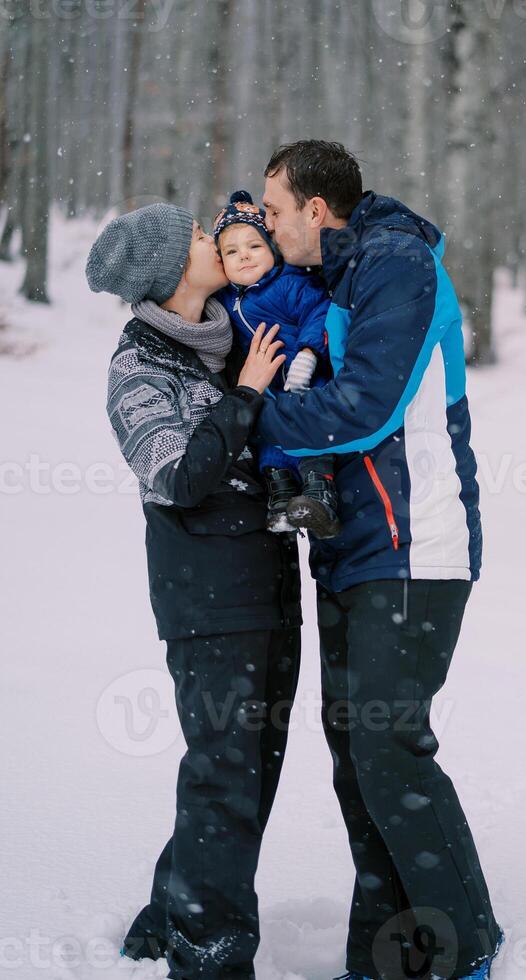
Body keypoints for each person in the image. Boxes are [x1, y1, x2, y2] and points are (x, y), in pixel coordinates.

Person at [255, 141, 505, 980]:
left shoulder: (395, 263)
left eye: (276, 209)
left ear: (316, 211)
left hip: (416, 546)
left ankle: (463, 941)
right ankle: (387, 947)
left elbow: (365, 408)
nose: (268, 222)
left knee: (390, 747)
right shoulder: (337, 276)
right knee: (357, 755)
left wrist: (248, 419)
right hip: (355, 552)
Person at [85, 203, 302, 980]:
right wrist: (244, 397)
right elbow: (176, 475)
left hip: (268, 588)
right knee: (225, 777)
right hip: (209, 605)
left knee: (247, 776)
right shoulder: (139, 364)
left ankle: (165, 921)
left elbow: (261, 253)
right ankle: (209, 961)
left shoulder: (219, 339)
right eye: (201, 238)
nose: (216, 242)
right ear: (173, 269)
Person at [214, 189, 340, 539]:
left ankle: (320, 496)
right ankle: (282, 499)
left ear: (271, 247)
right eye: (231, 252)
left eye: (254, 246)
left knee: (309, 430)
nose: (244, 257)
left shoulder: (288, 283)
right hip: (269, 391)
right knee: (269, 437)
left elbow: (319, 311)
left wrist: (309, 353)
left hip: (305, 380)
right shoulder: (224, 299)